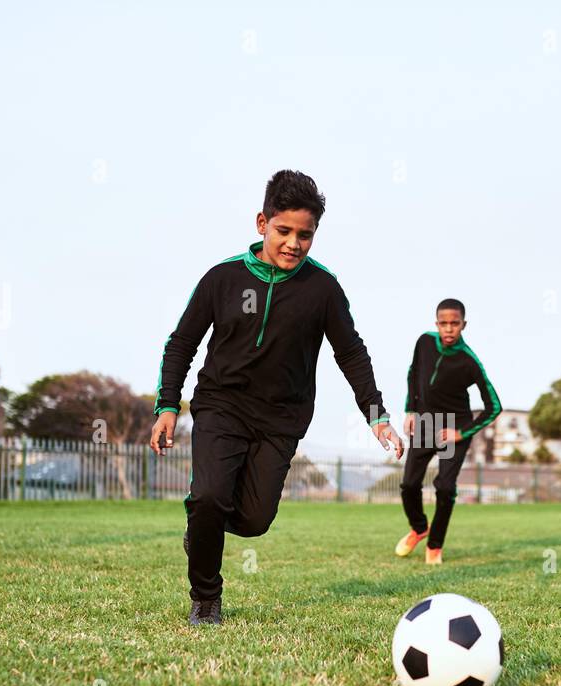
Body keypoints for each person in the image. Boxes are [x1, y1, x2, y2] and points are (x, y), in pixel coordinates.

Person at [150, 170, 402, 625]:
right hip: (221, 406)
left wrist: (376, 415)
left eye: (305, 235)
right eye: (284, 230)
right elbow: (181, 343)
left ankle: (201, 532)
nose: (294, 243)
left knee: (253, 520)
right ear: (262, 222)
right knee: (208, 497)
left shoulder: (322, 289)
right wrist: (168, 405)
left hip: (280, 419)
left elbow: (351, 352)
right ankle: (206, 599)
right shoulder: (222, 279)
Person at [394, 299, 500, 564]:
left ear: (464, 325)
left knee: (444, 487)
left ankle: (435, 545)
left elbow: (494, 406)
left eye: (455, 324)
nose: (449, 329)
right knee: (408, 484)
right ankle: (419, 528)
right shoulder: (424, 342)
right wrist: (411, 410)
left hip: (454, 428)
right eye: (444, 323)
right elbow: (413, 373)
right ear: (436, 324)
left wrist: (461, 434)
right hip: (425, 425)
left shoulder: (469, 361)